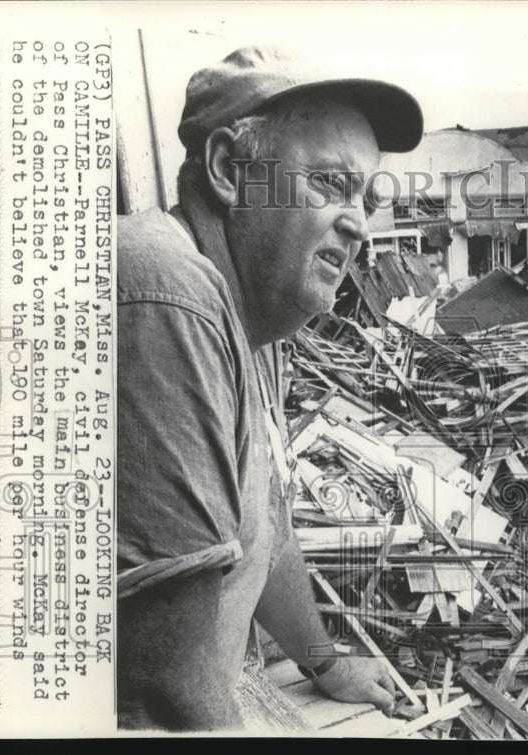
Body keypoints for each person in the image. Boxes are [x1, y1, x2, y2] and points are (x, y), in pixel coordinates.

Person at [116, 46, 423, 730]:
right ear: (230, 170)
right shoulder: (168, 291)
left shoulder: (249, 325)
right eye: (330, 184)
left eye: (366, 199)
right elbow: (168, 690)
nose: (360, 224)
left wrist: (326, 663)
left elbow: (268, 520)